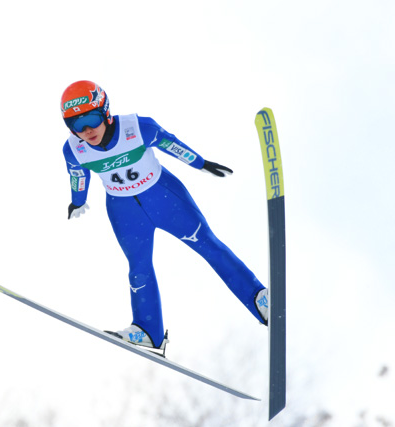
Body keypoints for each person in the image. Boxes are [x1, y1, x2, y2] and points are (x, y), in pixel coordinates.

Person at [60, 80, 269, 351]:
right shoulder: (73, 149)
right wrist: (78, 202)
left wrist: (201, 163)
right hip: (125, 212)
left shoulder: (137, 127)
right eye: (77, 125)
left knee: (208, 246)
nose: (87, 130)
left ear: (106, 112)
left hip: (164, 197)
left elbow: (171, 144)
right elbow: (78, 176)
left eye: (91, 118)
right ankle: (148, 330)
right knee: (138, 269)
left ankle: (258, 298)